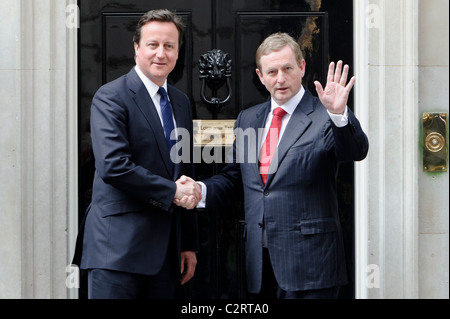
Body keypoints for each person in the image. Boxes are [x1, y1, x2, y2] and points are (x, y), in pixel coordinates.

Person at [177, 32, 369, 299]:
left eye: (287, 68)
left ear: (301, 67)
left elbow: (354, 151)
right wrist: (200, 190)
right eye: (272, 71)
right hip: (260, 264)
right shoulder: (248, 119)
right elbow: (235, 179)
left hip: (311, 266)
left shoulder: (324, 114)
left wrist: (338, 115)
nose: (280, 79)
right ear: (260, 75)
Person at [72, 9, 201, 299]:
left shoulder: (180, 102)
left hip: (167, 255)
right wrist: (173, 192)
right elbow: (114, 166)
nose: (161, 53)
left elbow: (184, 171)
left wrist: (188, 242)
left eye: (169, 46)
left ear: (178, 52)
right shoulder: (111, 96)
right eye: (153, 45)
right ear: (136, 48)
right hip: (117, 252)